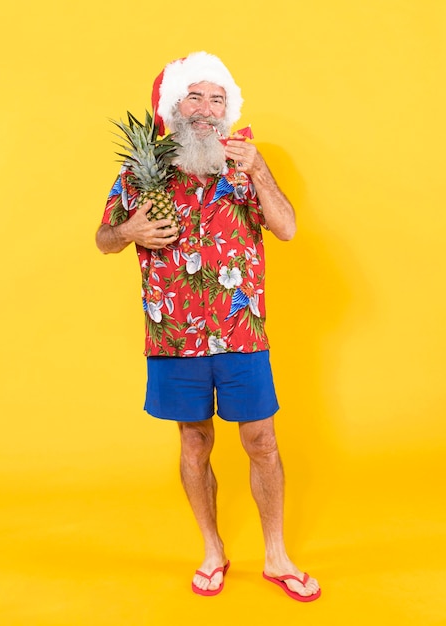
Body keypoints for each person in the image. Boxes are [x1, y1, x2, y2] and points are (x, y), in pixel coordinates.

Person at [96, 51, 320, 602]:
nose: (205, 107)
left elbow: (287, 229)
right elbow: (104, 238)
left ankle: (276, 555)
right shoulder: (139, 173)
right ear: (174, 107)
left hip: (240, 330)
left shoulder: (245, 168)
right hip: (174, 334)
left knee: (262, 440)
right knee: (194, 442)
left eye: (216, 98)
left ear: (228, 110)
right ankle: (213, 550)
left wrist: (260, 169)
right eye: (194, 96)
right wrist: (131, 230)